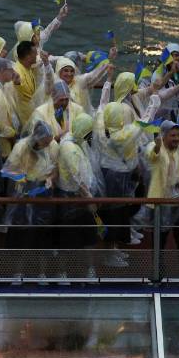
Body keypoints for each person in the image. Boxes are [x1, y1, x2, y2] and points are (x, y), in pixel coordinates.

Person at [93, 102, 146, 263]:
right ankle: (109, 253)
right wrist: (151, 105)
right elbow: (142, 125)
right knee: (113, 216)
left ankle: (114, 248)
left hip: (113, 176)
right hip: (116, 178)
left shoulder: (101, 130)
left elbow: (100, 109)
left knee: (118, 215)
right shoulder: (120, 136)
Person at [55, 112, 101, 278]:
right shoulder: (70, 149)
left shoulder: (77, 142)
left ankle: (89, 269)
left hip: (80, 196)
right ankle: (62, 272)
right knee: (67, 238)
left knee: (89, 236)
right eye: (89, 131)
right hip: (72, 199)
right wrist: (90, 199)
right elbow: (77, 178)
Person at [3, 121, 59, 252]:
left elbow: (55, 168)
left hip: (42, 192)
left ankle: (40, 269)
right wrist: (23, 181)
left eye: (49, 142)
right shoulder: (21, 147)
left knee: (41, 229)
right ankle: (18, 270)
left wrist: (50, 178)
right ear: (37, 138)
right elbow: (8, 171)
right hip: (23, 193)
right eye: (45, 143)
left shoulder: (51, 145)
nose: (48, 145)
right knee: (21, 229)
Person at [146, 121, 179, 258]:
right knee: (159, 243)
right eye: (172, 135)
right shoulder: (154, 146)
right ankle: (157, 276)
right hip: (161, 203)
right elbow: (151, 156)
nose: (176, 138)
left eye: (178, 135)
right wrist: (157, 147)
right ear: (163, 136)